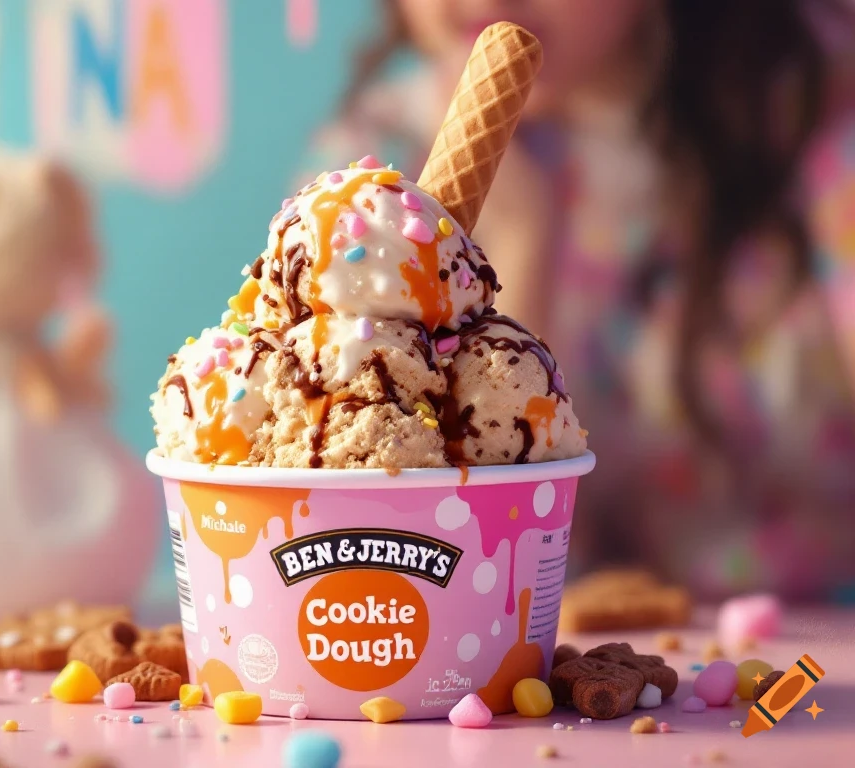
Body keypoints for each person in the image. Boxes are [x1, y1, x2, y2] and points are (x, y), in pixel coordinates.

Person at [299, 0, 855, 599]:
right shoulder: (373, 179)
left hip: (810, 662)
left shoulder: (816, 119)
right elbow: (437, 564)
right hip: (521, 654)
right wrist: (515, 242)